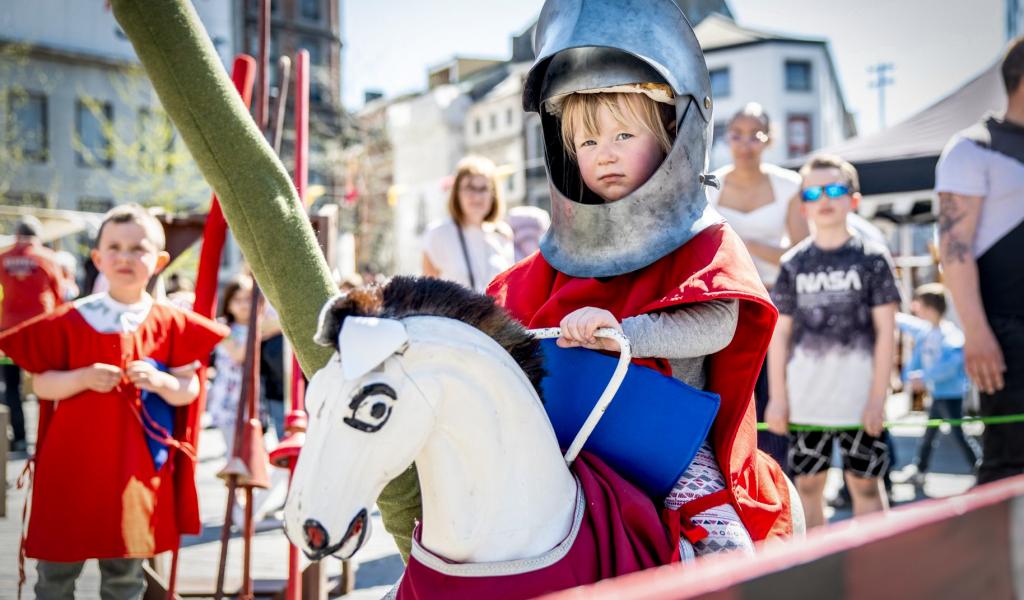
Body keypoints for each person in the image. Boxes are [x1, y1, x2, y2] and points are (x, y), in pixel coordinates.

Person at [488, 0, 794, 561]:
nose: (603, 155)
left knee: (724, 550)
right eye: (586, 143)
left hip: (667, 443)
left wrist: (624, 334)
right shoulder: (552, 260)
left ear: (671, 132)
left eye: (624, 135)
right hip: (562, 438)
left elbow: (716, 324)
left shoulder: (705, 239)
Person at [0, 204, 227, 599]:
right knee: (55, 576)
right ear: (98, 257)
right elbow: (43, 385)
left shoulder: (171, 322)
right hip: (70, 468)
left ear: (157, 261)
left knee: (125, 578)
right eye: (115, 247)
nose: (125, 257)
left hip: (134, 473)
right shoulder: (69, 320)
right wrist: (82, 378)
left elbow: (188, 390)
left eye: (138, 248)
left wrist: (159, 380)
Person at [765, 155, 901, 528]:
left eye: (835, 189)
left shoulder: (873, 259)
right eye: (813, 191)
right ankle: (820, 573)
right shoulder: (793, 264)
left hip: (861, 403)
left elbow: (888, 333)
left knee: (866, 486)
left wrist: (879, 398)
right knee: (807, 487)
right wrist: (777, 399)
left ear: (853, 200)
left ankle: (877, 571)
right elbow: (780, 336)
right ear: (803, 203)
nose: (824, 198)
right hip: (807, 401)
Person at [935, 37, 1024, 484]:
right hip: (1008, 336)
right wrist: (977, 333)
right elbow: (955, 249)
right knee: (1008, 470)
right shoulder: (974, 147)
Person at [706, 103, 809, 472]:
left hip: (775, 306)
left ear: (769, 139)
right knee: (729, 392)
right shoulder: (711, 183)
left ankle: (777, 475)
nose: (745, 144)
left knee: (774, 395)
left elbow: (801, 253)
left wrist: (741, 246)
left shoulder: (789, 184)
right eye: (737, 135)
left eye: (755, 135)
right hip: (728, 304)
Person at [896, 283, 980, 486]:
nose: (915, 309)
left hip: (951, 395)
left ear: (930, 308)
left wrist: (924, 377)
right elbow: (904, 322)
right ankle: (920, 469)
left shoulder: (950, 336)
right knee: (929, 433)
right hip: (938, 394)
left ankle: (980, 467)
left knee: (958, 434)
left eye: (919, 305)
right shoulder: (926, 331)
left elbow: (950, 366)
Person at [0, 215, 66, 452]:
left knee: (12, 385)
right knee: (47, 382)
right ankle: (47, 436)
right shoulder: (49, 258)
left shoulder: (3, 258)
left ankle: (18, 438)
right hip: (42, 331)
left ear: (16, 235)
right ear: (38, 237)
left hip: (9, 333)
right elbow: (60, 293)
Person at [422, 156, 515, 293]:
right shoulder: (438, 233)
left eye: (483, 188)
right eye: (469, 188)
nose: (477, 196)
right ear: (456, 193)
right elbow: (428, 293)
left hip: (493, 313)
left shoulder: (502, 234)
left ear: (493, 194)